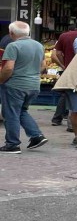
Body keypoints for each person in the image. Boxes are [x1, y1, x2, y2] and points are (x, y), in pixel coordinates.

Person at [0, 22, 47, 154]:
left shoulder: (13, 46)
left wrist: (1, 80)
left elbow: (8, 68)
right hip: (33, 85)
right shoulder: (38, 45)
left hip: (15, 85)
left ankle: (12, 144)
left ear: (11, 33)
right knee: (22, 111)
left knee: (11, 114)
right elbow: (43, 65)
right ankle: (36, 136)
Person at [50, 15, 77, 126]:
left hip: (67, 68)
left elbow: (57, 53)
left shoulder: (64, 36)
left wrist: (64, 65)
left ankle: (57, 119)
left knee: (65, 94)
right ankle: (74, 122)